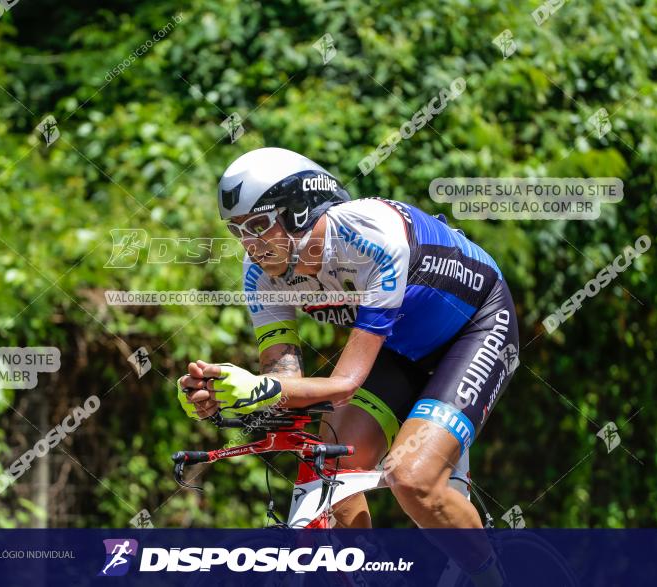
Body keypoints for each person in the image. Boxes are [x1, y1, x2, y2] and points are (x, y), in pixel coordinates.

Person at [177, 147, 519, 585]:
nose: (250, 245)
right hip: (398, 349)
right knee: (334, 471)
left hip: (474, 327)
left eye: (259, 226)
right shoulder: (258, 274)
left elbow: (344, 383)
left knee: (410, 478)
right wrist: (220, 395)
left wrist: (259, 390)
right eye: (238, 231)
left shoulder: (370, 234)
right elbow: (286, 384)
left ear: (299, 211)